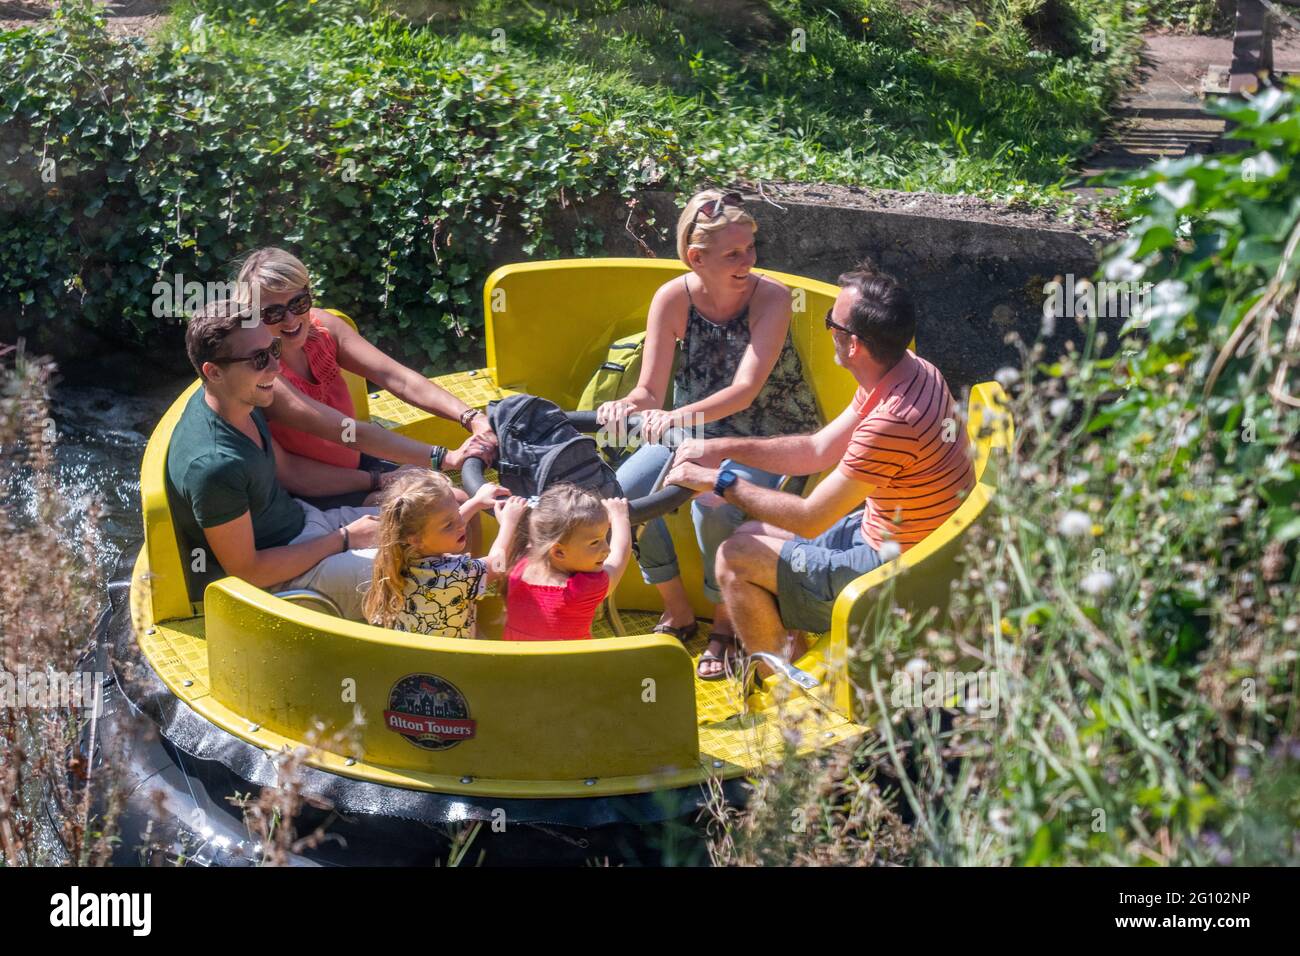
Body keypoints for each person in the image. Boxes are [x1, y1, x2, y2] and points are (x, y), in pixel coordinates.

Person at [665, 264, 975, 679]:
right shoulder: (909, 370)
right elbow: (816, 449)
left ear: (853, 346)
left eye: (831, 321)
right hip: (899, 538)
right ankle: (792, 652)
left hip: (900, 572)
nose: (827, 328)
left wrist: (718, 481)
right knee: (748, 535)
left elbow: (810, 519)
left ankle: (781, 693)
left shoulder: (893, 421)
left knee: (734, 558)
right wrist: (717, 448)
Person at [595, 189, 820, 676]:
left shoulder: (772, 298)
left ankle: (724, 623)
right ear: (697, 258)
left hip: (767, 434)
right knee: (618, 496)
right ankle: (675, 607)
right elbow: (650, 392)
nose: (748, 262)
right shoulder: (673, 297)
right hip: (694, 431)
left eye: (750, 251)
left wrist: (674, 420)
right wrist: (625, 405)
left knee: (711, 504)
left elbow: (744, 389)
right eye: (733, 254)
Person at [166, 300, 385, 620]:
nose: (275, 367)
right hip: (282, 582)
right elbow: (249, 572)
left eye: (274, 349)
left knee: (445, 509)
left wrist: (377, 481)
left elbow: (291, 472)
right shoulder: (214, 466)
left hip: (306, 526)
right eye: (258, 359)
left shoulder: (240, 400)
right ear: (214, 372)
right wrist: (345, 539)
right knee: (419, 569)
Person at [235, 247, 496, 505]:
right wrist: (445, 458)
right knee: (453, 502)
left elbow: (397, 378)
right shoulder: (263, 372)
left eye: (299, 303)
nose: (291, 319)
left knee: (455, 500)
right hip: (312, 492)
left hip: (360, 467)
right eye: (273, 312)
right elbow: (347, 432)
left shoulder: (324, 329)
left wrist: (472, 418)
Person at [363, 471, 511, 638]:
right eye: (449, 524)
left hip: (415, 653)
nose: (461, 525)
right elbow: (498, 565)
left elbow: (438, 529)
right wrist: (509, 523)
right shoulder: (453, 575)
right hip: (450, 659)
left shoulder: (401, 555)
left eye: (457, 512)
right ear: (416, 539)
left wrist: (476, 502)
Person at [496, 487, 632, 642]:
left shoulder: (518, 564)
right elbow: (618, 556)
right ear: (559, 552)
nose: (606, 549)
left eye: (604, 539)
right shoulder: (582, 590)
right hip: (568, 665)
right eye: (595, 542)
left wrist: (508, 523)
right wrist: (620, 518)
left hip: (516, 662)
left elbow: (498, 558)